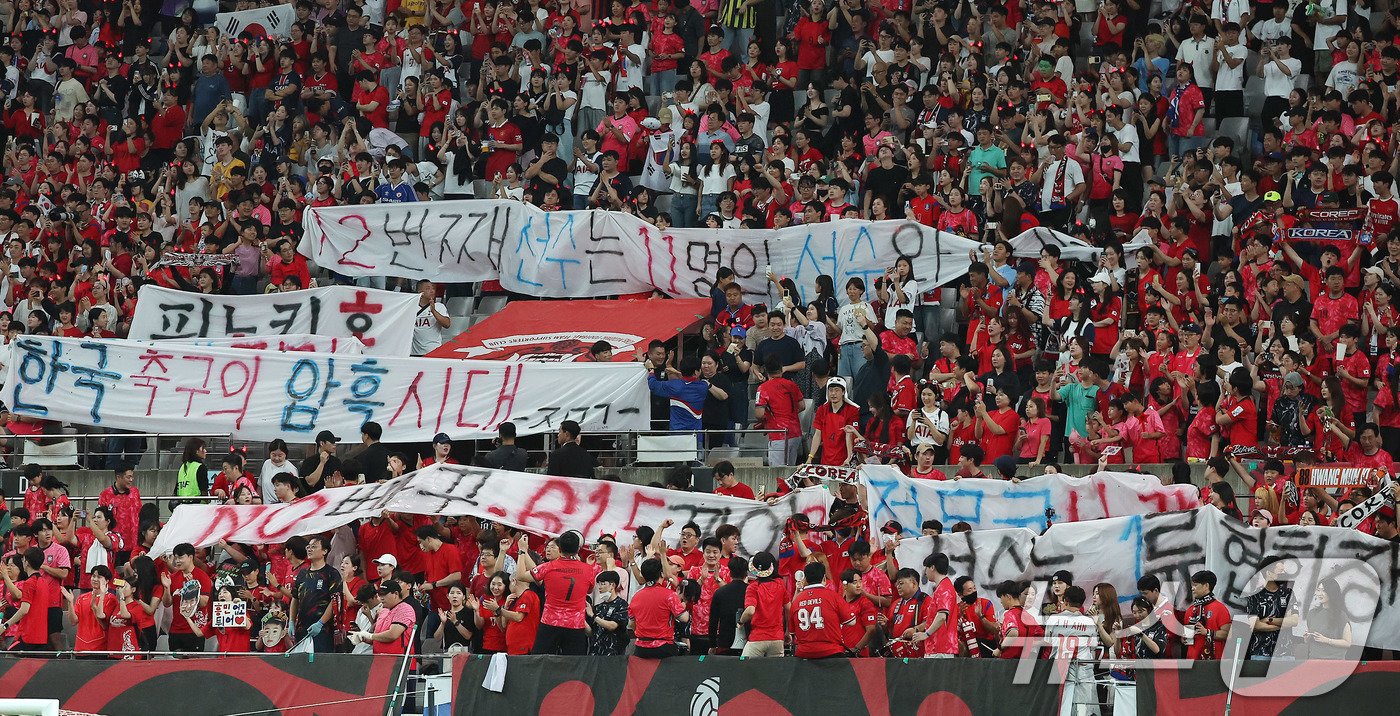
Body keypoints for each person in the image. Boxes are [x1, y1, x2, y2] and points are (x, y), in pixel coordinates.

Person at [515, 530, 600, 655]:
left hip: (550, 621)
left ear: (559, 549)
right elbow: (590, 590)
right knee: (573, 665)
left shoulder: (549, 566)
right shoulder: (589, 570)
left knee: (540, 661)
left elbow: (521, 576)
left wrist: (522, 551)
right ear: (578, 549)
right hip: (575, 624)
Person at [790, 561, 853, 658]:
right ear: (824, 578)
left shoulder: (796, 600)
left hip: (804, 654)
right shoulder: (833, 596)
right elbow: (851, 621)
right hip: (831, 652)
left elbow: (792, 631)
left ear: (805, 579)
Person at [291, 535, 342, 652]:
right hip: (302, 629)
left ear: (324, 551)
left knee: (319, 666)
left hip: (322, 630)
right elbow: (295, 598)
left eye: (314, 547)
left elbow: (334, 601)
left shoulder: (332, 574)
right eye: (308, 547)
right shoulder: (302, 573)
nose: (309, 549)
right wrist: (292, 621)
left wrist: (320, 623)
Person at [630, 557, 689, 658]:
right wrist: (683, 606)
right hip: (663, 648)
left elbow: (632, 623)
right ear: (661, 573)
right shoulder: (669, 595)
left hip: (641, 648)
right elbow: (684, 618)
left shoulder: (636, 596)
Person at [740, 551, 786, 657]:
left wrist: (740, 621)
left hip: (757, 638)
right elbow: (788, 608)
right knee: (775, 672)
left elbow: (750, 611)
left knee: (744, 669)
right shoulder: (780, 584)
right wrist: (788, 632)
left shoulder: (753, 587)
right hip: (777, 638)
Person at [1184, 570, 1232, 660]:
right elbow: (1186, 640)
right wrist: (1184, 638)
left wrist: (1207, 632)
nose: (1192, 588)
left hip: (1213, 663)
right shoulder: (1190, 610)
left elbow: (1228, 634)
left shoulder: (1220, 608)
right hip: (1192, 662)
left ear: (1206, 586)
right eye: (1192, 585)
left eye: (1196, 585)